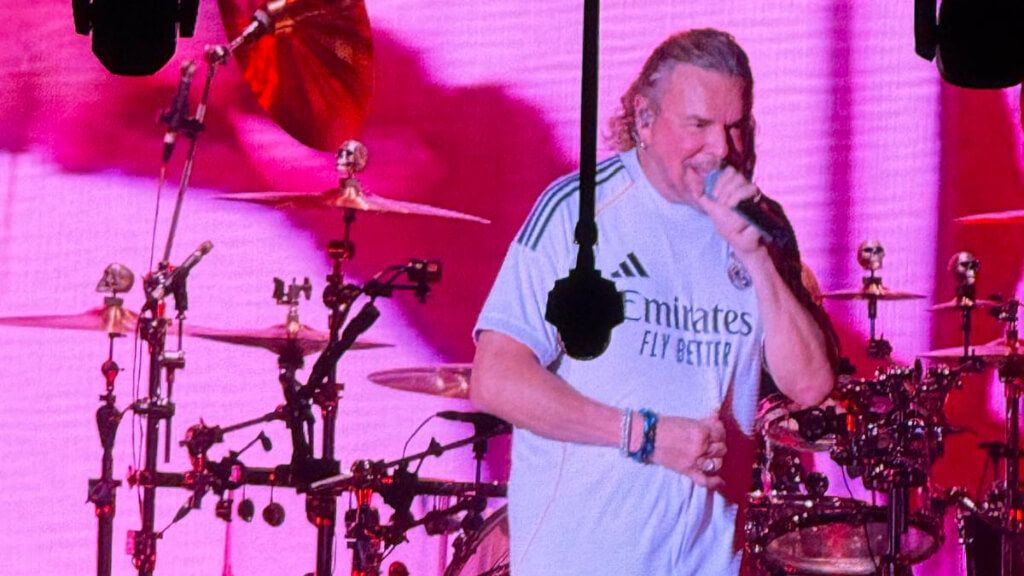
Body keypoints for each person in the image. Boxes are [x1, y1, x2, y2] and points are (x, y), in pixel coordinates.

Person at [470, 28, 837, 575]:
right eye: (699, 125)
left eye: (736, 127)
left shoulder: (758, 221)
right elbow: (495, 378)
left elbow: (810, 385)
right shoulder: (580, 211)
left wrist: (757, 257)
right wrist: (642, 435)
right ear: (644, 118)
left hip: (706, 561)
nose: (721, 148)